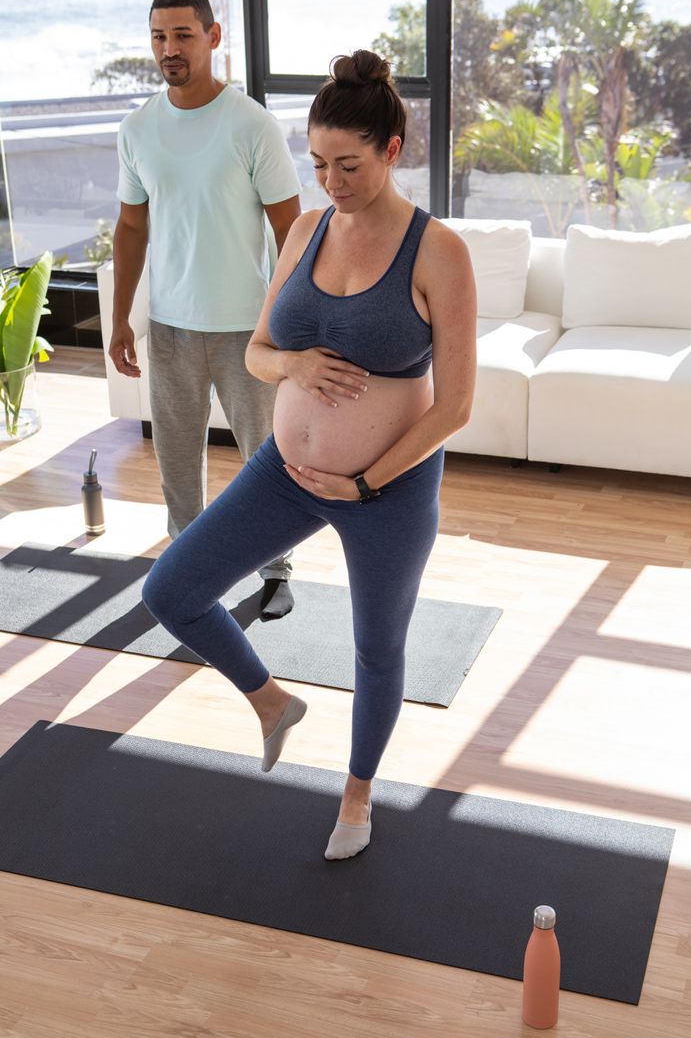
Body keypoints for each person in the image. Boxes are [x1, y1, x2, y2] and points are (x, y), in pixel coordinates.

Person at [142, 49, 477, 860]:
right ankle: (270, 702)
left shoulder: (439, 253)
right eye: (319, 162)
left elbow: (458, 406)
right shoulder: (304, 230)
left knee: (377, 648)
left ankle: (357, 798)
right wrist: (292, 363)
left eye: (349, 165)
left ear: (393, 151)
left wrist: (365, 480)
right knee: (172, 589)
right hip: (284, 475)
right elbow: (259, 350)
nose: (330, 180)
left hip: (386, 490)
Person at [108, 0, 301, 620]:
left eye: (183, 35)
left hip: (248, 328)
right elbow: (132, 229)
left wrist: (288, 323)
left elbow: (291, 231)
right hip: (169, 326)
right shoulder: (138, 129)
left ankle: (276, 568)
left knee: (264, 459)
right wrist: (120, 321)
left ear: (213, 38)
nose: (170, 49)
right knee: (177, 460)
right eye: (159, 36)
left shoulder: (251, 124)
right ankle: (187, 572)